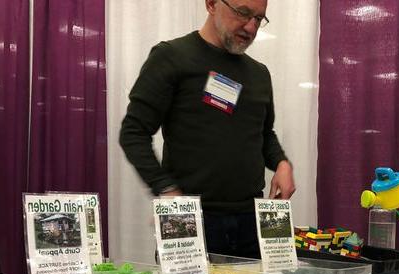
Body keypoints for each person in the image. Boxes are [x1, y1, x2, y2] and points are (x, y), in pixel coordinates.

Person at [119, 0, 295, 258]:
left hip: (251, 222)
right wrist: (166, 189)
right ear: (211, 4)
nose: (250, 26)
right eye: (243, 13)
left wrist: (281, 162)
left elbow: (264, 134)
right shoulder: (172, 57)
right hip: (191, 218)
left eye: (259, 19)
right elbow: (133, 133)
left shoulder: (259, 74)